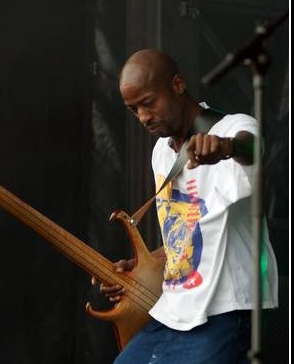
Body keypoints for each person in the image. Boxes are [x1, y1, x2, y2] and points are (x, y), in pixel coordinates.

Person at [93, 49, 278, 363]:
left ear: (178, 84)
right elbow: (184, 239)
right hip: (175, 311)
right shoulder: (160, 153)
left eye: (149, 103)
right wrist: (138, 270)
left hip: (227, 311)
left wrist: (226, 148)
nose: (143, 117)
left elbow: (254, 148)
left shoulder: (231, 126)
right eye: (133, 109)